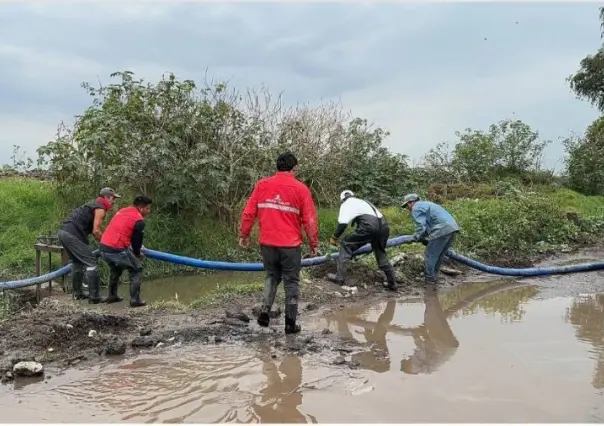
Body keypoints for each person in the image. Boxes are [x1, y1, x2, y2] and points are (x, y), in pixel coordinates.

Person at [239, 152, 319, 334]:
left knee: (271, 276)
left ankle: (264, 313)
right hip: (290, 246)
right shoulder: (301, 189)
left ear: (277, 166)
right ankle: (290, 324)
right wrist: (314, 244)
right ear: (294, 169)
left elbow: (248, 213)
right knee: (291, 282)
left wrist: (244, 235)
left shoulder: (262, 185)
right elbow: (310, 220)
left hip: (267, 244)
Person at [57, 187, 120, 303]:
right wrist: (107, 243)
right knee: (91, 261)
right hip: (72, 234)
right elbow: (96, 231)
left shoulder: (93, 205)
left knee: (77, 262)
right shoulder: (100, 208)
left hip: (63, 232)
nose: (114, 201)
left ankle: (78, 294)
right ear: (106, 197)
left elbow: (95, 230)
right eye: (113, 198)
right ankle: (94, 297)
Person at [326, 190, 397, 291]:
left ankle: (339, 278)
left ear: (342, 200)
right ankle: (392, 283)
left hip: (369, 226)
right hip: (384, 227)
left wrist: (334, 237)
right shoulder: (363, 202)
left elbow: (343, 223)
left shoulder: (346, 204)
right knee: (380, 252)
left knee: (345, 244)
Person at [99, 195, 153, 307]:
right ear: (141, 208)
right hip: (116, 248)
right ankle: (135, 300)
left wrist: (133, 249)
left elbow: (124, 231)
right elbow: (136, 241)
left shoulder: (123, 210)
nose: (149, 211)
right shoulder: (139, 220)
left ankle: (112, 296)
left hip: (104, 246)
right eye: (147, 208)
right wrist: (137, 254)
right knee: (136, 269)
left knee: (115, 269)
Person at [402, 193, 459, 286]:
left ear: (411, 202)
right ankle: (434, 277)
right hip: (452, 228)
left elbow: (422, 227)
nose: (407, 208)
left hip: (441, 230)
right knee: (439, 255)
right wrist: (425, 237)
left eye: (406, 205)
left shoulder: (415, 208)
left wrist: (416, 237)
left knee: (429, 254)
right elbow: (430, 223)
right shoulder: (427, 204)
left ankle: (430, 280)